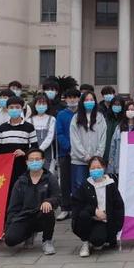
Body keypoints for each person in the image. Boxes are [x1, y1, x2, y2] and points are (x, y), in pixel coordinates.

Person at [4, 148, 60, 255]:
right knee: (10, 240)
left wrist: (49, 201)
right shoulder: (20, 182)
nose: (34, 162)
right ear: (26, 162)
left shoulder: (50, 178)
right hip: (24, 216)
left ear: (43, 161)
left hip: (41, 214)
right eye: (31, 160)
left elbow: (57, 197)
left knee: (48, 210)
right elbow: (13, 207)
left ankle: (47, 241)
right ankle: (29, 234)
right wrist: (8, 227)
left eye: (37, 159)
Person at [73, 156, 125, 257]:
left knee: (98, 240)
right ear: (89, 170)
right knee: (83, 215)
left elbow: (118, 206)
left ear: (104, 168)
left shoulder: (111, 185)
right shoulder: (85, 185)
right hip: (90, 219)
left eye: (98, 167)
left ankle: (103, 238)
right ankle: (85, 242)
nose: (95, 170)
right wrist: (94, 211)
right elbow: (78, 205)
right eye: (93, 168)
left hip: (106, 220)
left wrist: (115, 223)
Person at [0, 96, 39, 202]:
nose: (14, 110)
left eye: (17, 107)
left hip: (22, 165)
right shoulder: (2, 127)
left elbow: (35, 147)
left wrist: (24, 153)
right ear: (7, 109)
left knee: (21, 189)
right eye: (11, 107)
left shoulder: (29, 127)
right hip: (6, 166)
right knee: (7, 190)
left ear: (22, 108)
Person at [70, 91, 107, 198]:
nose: (89, 102)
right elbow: (75, 139)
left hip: (96, 162)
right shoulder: (75, 118)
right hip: (79, 161)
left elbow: (103, 138)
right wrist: (85, 156)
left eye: (91, 100)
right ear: (82, 102)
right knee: (79, 186)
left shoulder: (100, 117)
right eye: (86, 100)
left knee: (96, 187)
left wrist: (97, 156)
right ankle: (78, 208)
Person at [53, 87, 80, 221]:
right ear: (66, 99)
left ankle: (77, 207)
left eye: (75, 97)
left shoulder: (83, 113)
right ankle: (65, 208)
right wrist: (68, 147)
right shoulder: (61, 114)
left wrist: (78, 149)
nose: (72, 100)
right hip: (65, 153)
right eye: (70, 97)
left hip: (81, 153)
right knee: (65, 181)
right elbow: (59, 133)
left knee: (78, 180)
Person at [107, 100, 134, 174]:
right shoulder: (119, 127)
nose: (130, 111)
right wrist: (111, 167)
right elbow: (113, 147)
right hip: (119, 165)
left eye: (132, 110)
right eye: (128, 110)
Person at [27, 93, 56, 169]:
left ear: (47, 105)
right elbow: (28, 137)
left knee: (47, 171)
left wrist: (41, 149)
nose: (41, 105)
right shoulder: (29, 120)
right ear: (35, 105)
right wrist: (34, 150)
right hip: (32, 151)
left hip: (47, 151)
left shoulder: (52, 119)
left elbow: (50, 137)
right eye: (39, 103)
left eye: (43, 103)